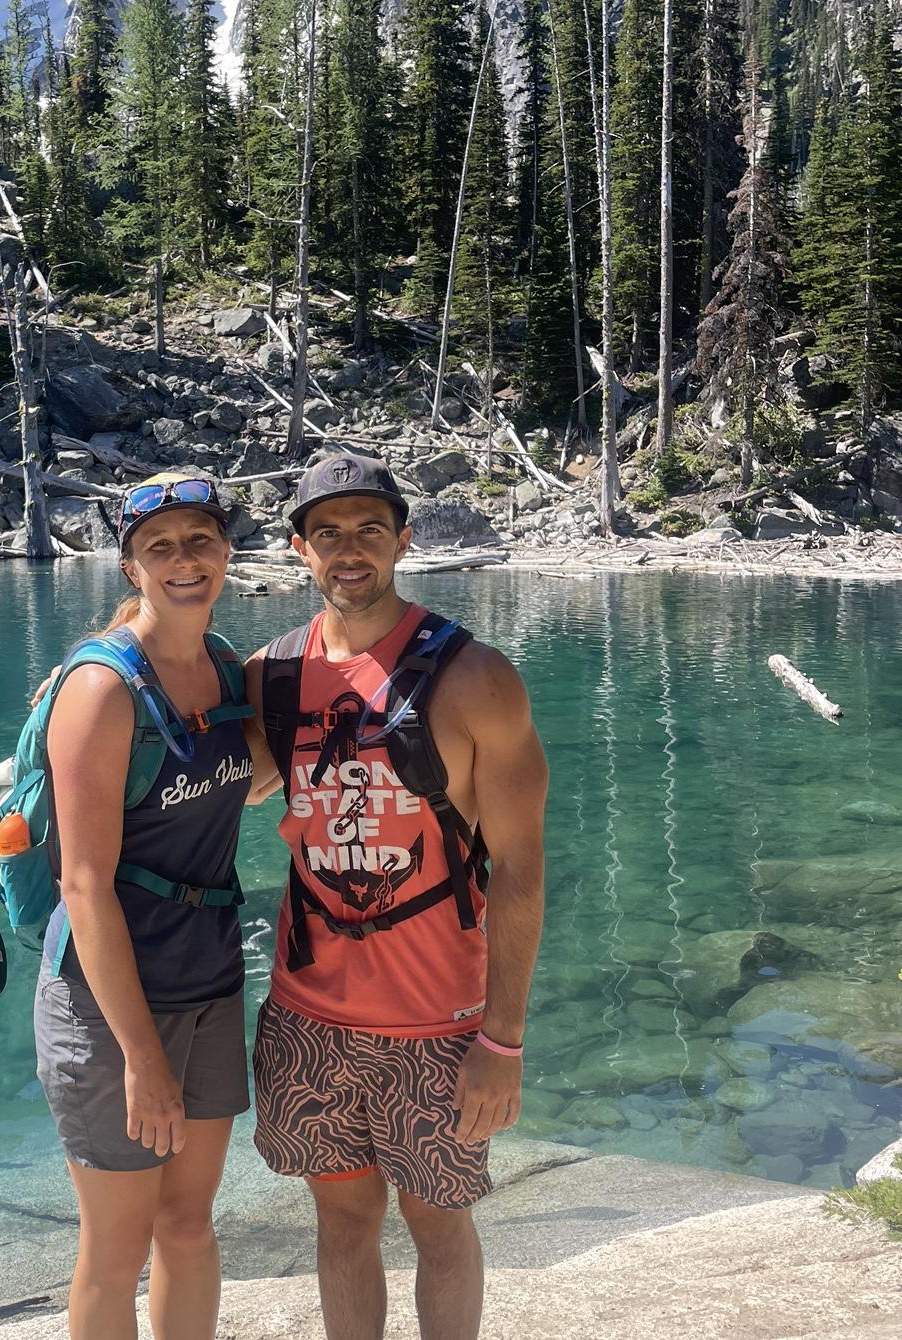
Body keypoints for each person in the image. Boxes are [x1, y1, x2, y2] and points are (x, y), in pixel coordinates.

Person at [244, 451, 548, 1340]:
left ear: (403, 541)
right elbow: (194, 756)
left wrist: (505, 1039)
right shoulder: (271, 675)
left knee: (437, 1223)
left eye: (369, 529)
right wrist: (77, 687)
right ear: (299, 549)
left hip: (440, 1028)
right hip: (306, 1018)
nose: (349, 549)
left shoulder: (476, 678)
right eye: (326, 531)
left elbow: (520, 869)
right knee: (340, 1222)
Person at [35, 472, 272, 1340]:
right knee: (116, 1247)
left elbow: (260, 775)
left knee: (188, 1224)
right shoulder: (101, 691)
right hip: (108, 1010)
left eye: (200, 542)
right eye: (160, 548)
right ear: (130, 566)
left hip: (208, 983)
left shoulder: (223, 669)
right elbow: (84, 886)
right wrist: (140, 1055)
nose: (184, 561)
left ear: (226, 554)